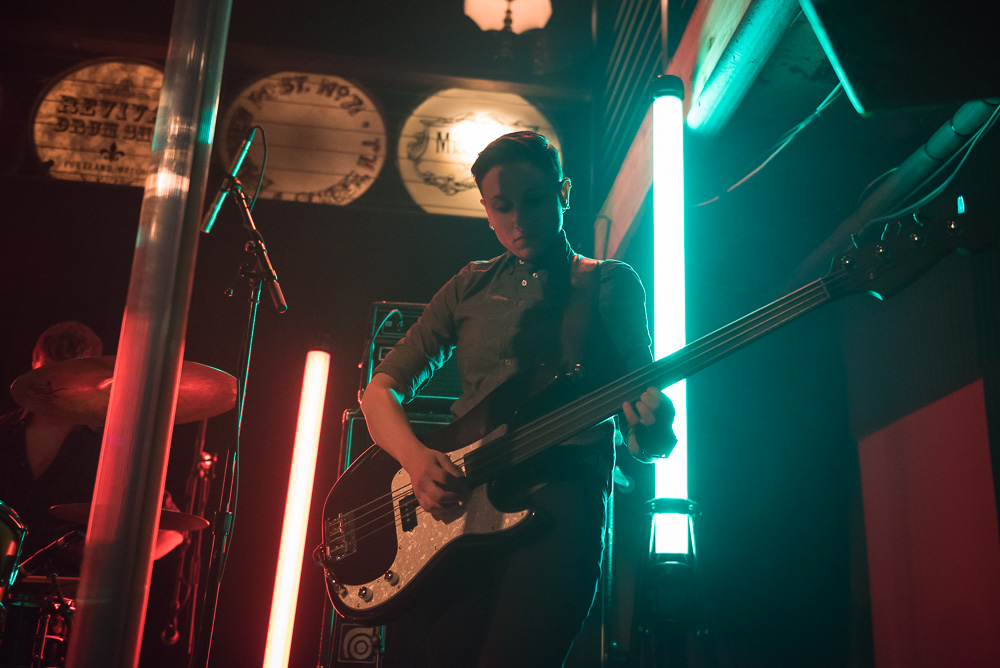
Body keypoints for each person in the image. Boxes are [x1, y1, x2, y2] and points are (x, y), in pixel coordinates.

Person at [360, 131, 677, 666]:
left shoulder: (608, 284)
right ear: (485, 210)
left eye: (533, 201)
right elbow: (380, 391)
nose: (518, 220)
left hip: (561, 501)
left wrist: (655, 422)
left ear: (564, 192)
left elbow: (648, 435)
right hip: (459, 509)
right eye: (501, 207)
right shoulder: (468, 285)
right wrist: (416, 461)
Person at [0, 321, 183, 580]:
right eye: (50, 375)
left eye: (70, 377)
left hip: (63, 604)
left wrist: (114, 566)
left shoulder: (110, 446)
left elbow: (172, 529)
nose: (58, 387)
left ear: (90, 377)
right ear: (34, 364)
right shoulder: (4, 432)